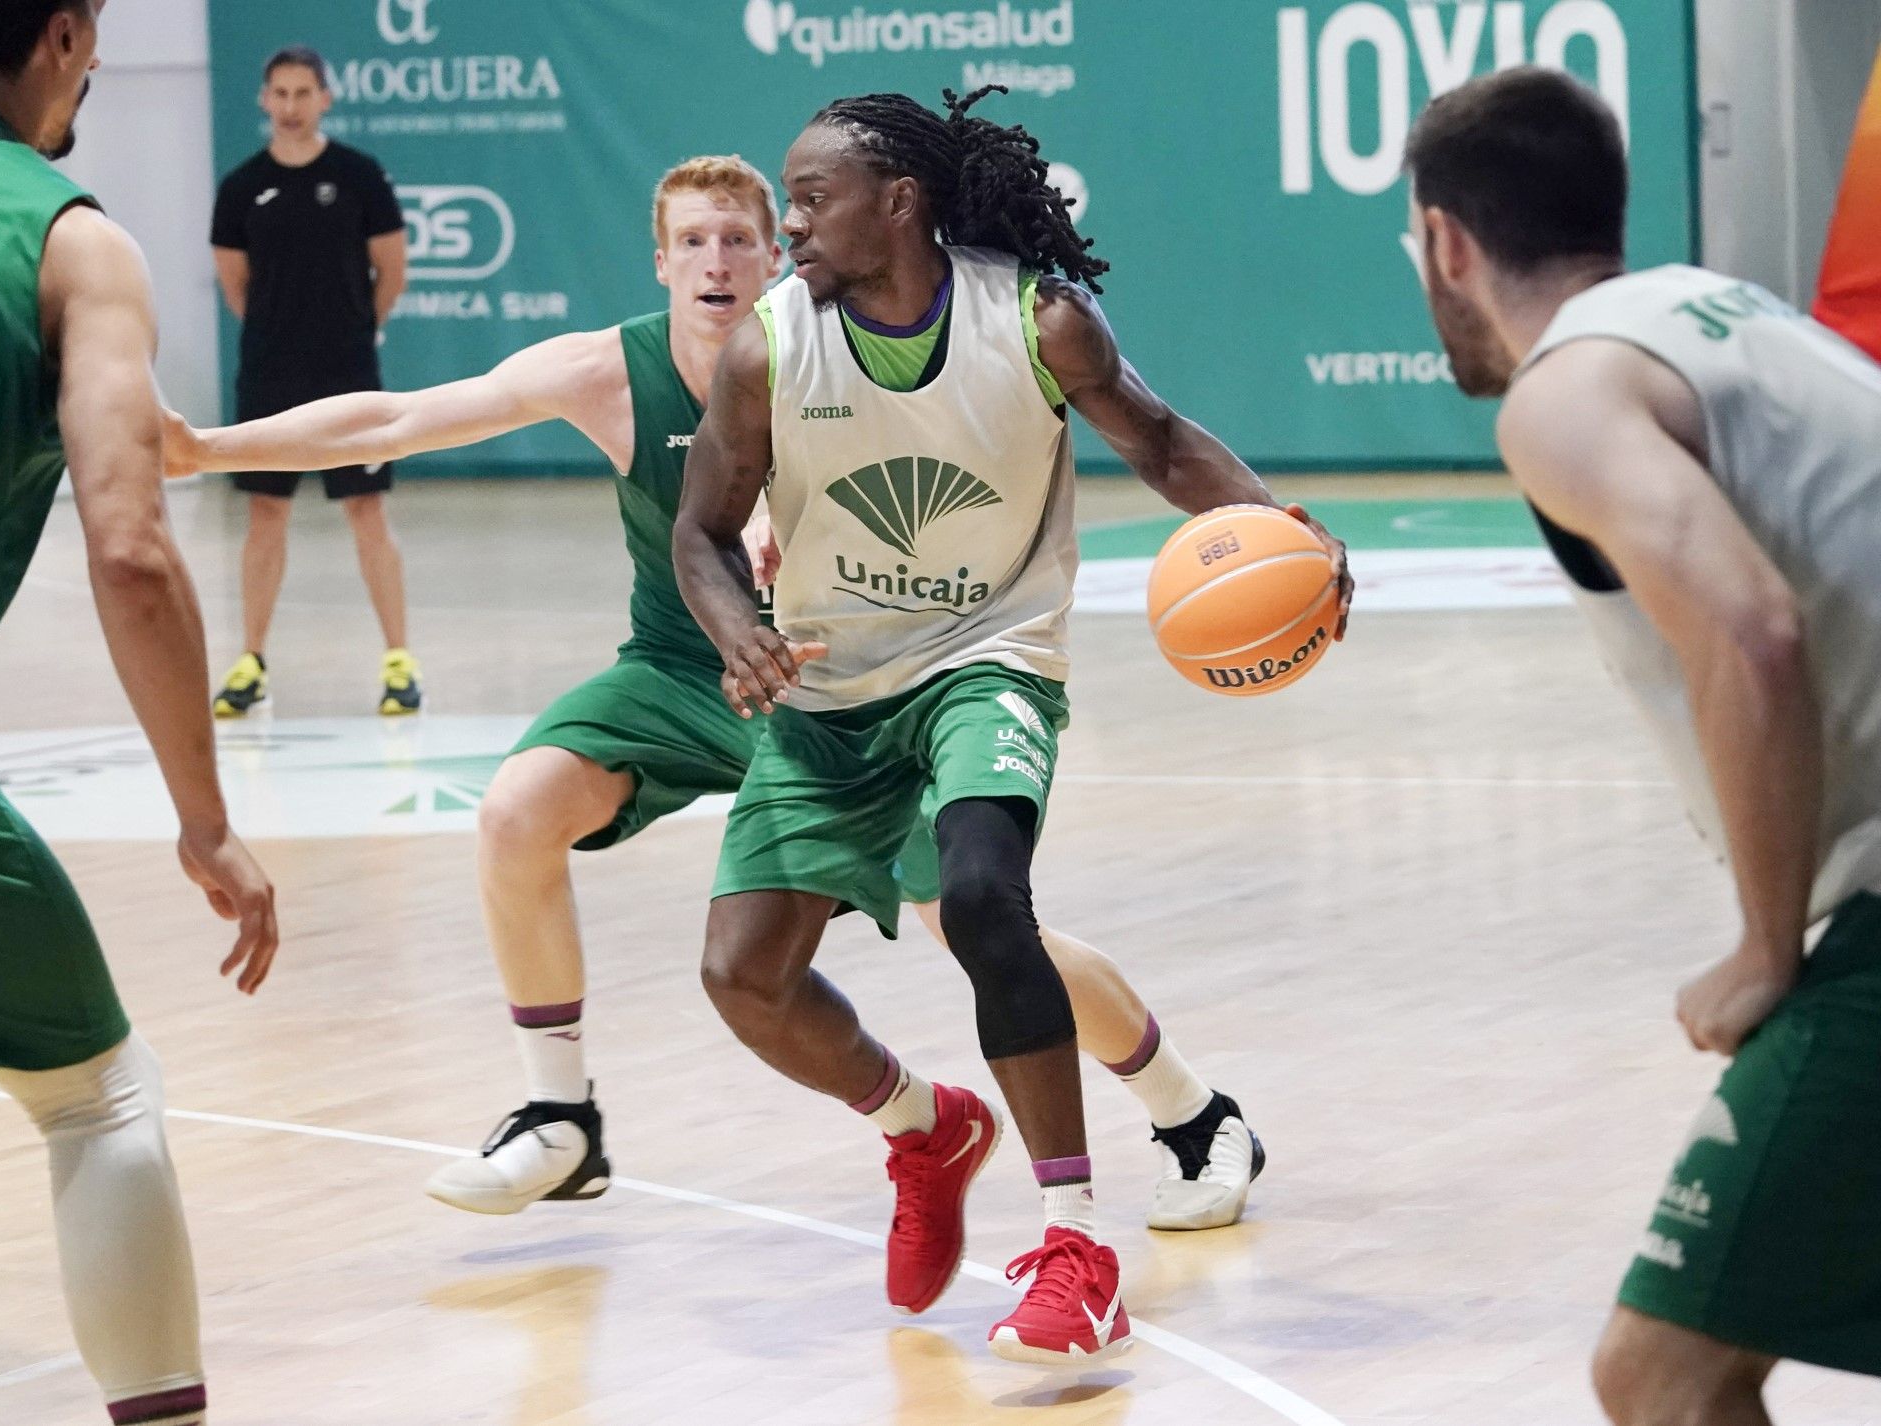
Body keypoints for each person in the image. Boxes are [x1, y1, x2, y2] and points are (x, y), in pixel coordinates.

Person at [166, 154, 1265, 1235]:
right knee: (514, 809)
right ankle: (560, 1114)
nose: (718, 259)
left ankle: (1186, 1107)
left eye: (740, 236)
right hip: (674, 666)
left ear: (779, 252)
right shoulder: (606, 370)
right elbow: (396, 420)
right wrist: (205, 447)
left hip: (827, 679)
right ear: (658, 262)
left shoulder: (815, 340)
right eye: (692, 240)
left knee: (973, 922)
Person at [674, 87, 1350, 1364]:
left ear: (899, 203)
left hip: (985, 659)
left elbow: (1154, 442)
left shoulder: (1037, 319)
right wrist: (735, 631)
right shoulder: (768, 347)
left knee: (984, 898)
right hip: (826, 688)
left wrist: (1284, 529)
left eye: (810, 198)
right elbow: (701, 530)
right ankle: (922, 1126)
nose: (788, 221)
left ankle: (1073, 1241)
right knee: (740, 976)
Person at [1404, 66, 1881, 1426]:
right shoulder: (1748, 324)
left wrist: (1766, 943)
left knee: (1663, 1370)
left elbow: (1754, 630)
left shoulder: (1564, 392)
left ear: (1447, 240)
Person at [0, 3, 281, 1423]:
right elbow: (132, 550)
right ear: (67, 38)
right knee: (95, 1093)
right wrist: (207, 820)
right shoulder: (70, 236)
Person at [208, 45, 415, 717]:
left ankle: (399, 662)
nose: (291, 105)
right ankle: (251, 661)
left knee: (367, 511)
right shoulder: (241, 188)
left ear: (325, 97)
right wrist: (280, 336)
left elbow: (392, 269)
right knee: (266, 515)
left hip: (349, 374)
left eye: (304, 92)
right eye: (280, 93)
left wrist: (354, 331)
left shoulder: (359, 176)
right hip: (270, 374)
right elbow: (234, 283)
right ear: (264, 100)